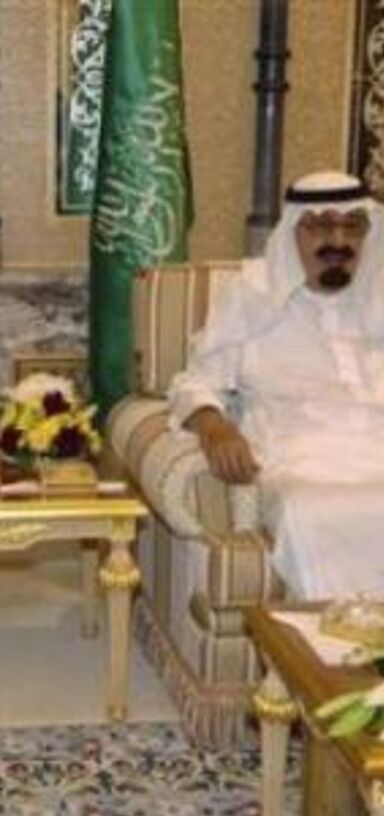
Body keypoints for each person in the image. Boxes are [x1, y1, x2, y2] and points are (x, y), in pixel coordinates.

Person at [168, 170, 384, 599]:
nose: (339, 241)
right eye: (321, 226)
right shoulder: (253, 296)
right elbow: (196, 381)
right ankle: (336, 637)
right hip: (304, 462)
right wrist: (215, 427)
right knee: (315, 512)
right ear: (292, 232)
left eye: (353, 226)